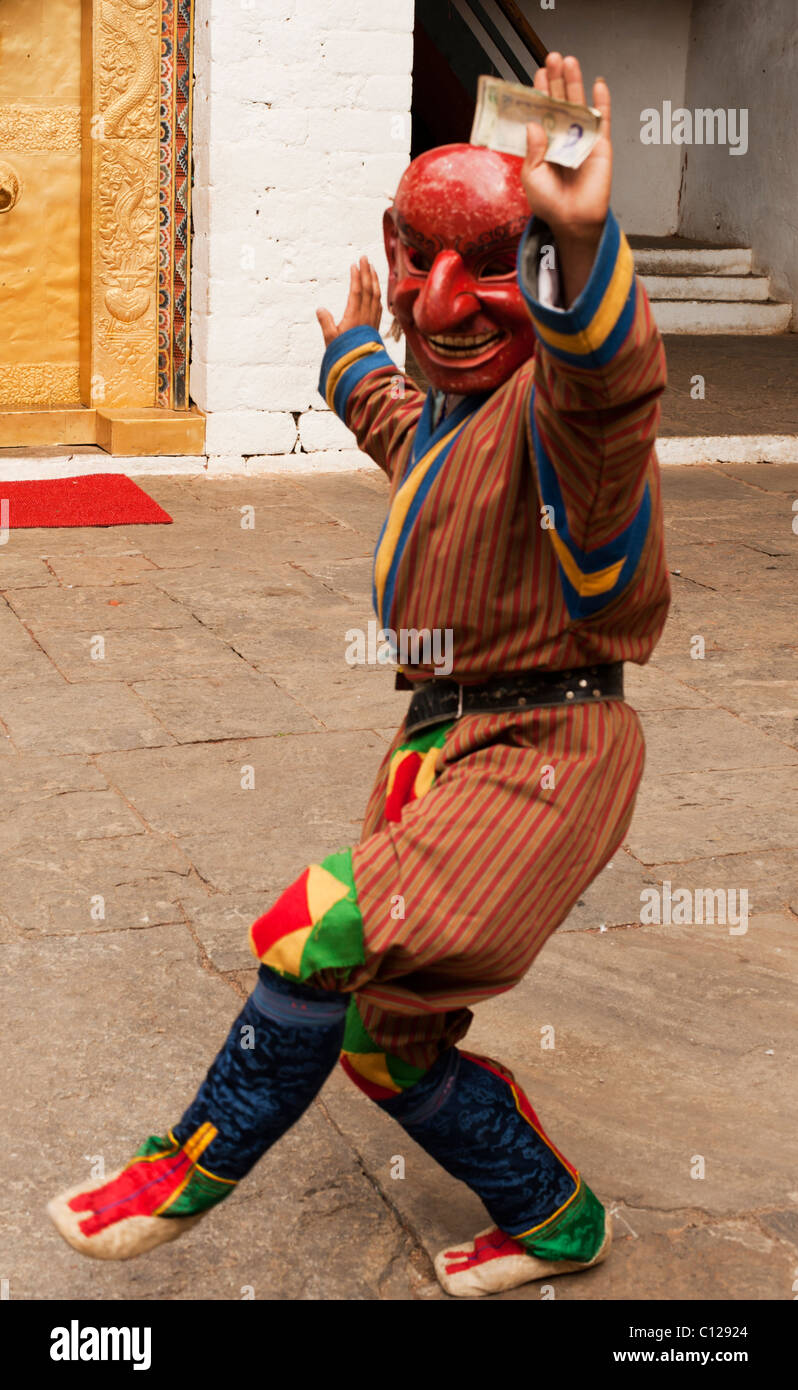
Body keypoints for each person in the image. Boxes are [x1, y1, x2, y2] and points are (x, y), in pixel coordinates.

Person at [48, 54, 669, 1297]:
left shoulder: (563, 417)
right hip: (445, 749)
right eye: (414, 256)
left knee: (314, 925)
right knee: (388, 1042)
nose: (437, 302)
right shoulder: (458, 411)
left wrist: (587, 245)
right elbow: (403, 427)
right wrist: (345, 353)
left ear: (541, 280)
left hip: (545, 758)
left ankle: (183, 1172)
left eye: (487, 264)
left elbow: (611, 389)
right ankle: (554, 1217)